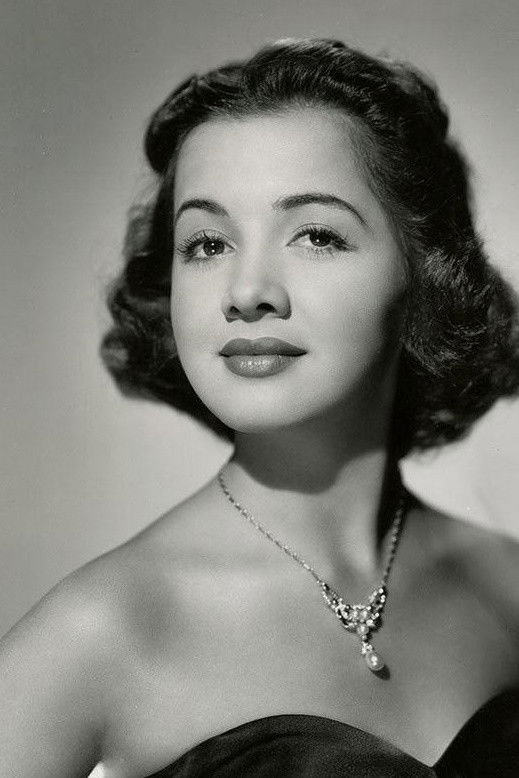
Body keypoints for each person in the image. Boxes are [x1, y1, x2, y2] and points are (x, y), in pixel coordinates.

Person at [1, 37, 519, 778]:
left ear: (423, 272)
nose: (247, 292)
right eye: (207, 243)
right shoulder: (108, 628)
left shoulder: (505, 581)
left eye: (316, 235)